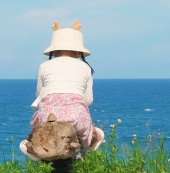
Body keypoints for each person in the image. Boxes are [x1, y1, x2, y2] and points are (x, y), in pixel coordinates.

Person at [19, 20, 105, 161]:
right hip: (76, 119)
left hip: (48, 118)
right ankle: (93, 139)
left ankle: (32, 147)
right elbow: (88, 100)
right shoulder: (85, 67)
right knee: (91, 130)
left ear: (54, 50)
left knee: (37, 128)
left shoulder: (44, 66)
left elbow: (39, 95)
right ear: (78, 52)